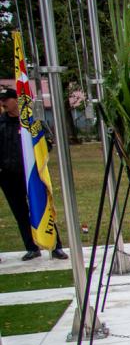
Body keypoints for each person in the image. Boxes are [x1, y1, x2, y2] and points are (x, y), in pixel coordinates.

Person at [0, 88, 67, 260]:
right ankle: (31, 247)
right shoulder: (1, 123)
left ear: (16, 100)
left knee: (42, 208)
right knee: (20, 213)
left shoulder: (32, 121)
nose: (3, 103)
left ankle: (55, 246)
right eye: (1, 100)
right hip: (9, 176)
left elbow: (47, 143)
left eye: (6, 99)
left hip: (32, 174)